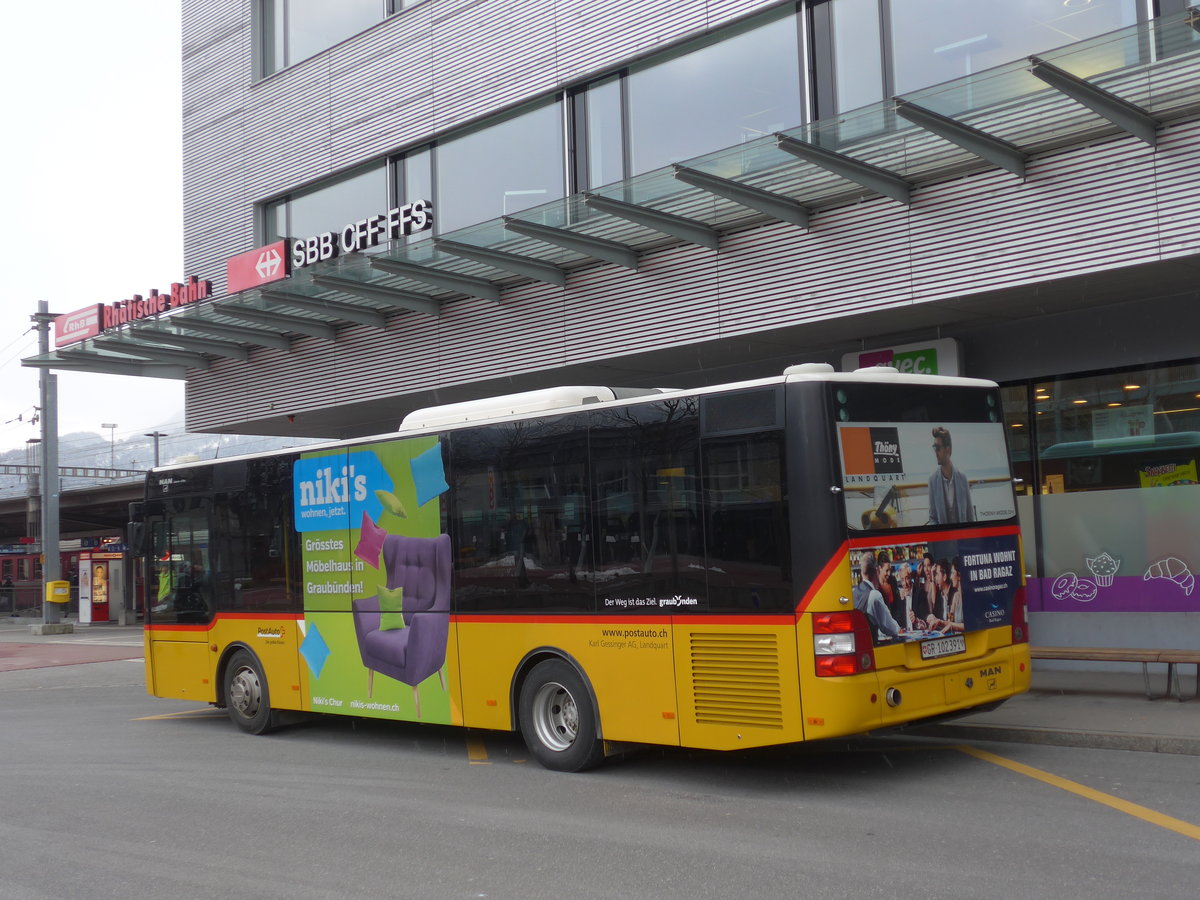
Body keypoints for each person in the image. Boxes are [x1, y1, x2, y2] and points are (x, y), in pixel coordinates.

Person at [927, 426, 972, 525]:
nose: (935, 452)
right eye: (934, 447)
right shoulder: (932, 480)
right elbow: (932, 517)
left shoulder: (963, 478)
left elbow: (970, 517)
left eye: (938, 448)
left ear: (947, 450)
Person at [852, 554, 901, 642]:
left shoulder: (854, 592)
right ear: (877, 571)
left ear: (861, 572)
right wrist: (898, 629)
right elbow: (889, 627)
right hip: (871, 644)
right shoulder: (874, 595)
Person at [942, 556, 967, 633]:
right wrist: (939, 621)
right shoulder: (955, 596)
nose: (950, 577)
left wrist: (952, 625)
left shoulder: (968, 596)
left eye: (952, 573)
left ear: (959, 575)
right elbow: (950, 621)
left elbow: (969, 625)